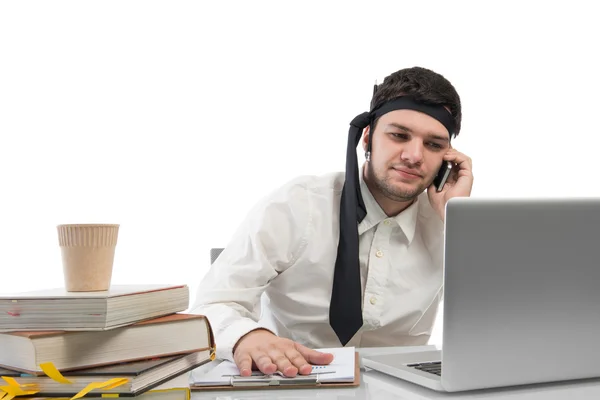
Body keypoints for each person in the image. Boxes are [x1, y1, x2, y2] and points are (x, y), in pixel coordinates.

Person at [190, 66, 474, 378]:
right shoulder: (297, 206)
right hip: (295, 380)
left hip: (407, 387)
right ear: (367, 138)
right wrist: (248, 336)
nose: (414, 155)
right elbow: (212, 304)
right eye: (398, 135)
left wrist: (460, 223)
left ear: (448, 159)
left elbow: (506, 319)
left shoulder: (450, 223)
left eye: (433, 144)